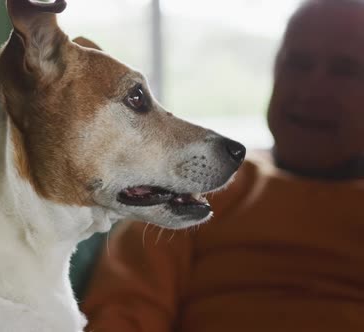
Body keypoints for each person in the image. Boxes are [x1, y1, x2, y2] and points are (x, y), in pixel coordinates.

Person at [80, 0, 364, 331]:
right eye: (297, 63)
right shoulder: (193, 191)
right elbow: (124, 313)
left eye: (346, 70)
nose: (311, 89)